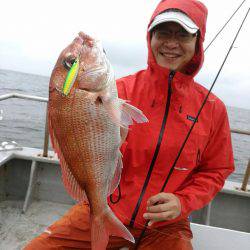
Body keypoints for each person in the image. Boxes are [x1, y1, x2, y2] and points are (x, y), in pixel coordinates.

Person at [25, 0, 235, 249]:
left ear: (197, 42)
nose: (171, 42)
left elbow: (216, 170)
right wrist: (116, 142)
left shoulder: (213, 108)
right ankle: (101, 220)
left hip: (167, 223)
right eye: (163, 32)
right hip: (106, 203)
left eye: (183, 35)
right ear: (150, 38)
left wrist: (182, 202)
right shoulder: (119, 90)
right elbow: (81, 140)